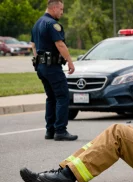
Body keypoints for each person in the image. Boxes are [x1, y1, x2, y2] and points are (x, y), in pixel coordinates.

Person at [31, 0, 78, 140]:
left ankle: (50, 130)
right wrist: (70, 62)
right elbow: (60, 44)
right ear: (55, 7)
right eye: (61, 9)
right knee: (63, 96)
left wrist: (40, 61)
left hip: (41, 67)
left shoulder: (37, 23)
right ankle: (61, 131)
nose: (62, 13)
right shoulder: (52, 24)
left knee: (51, 98)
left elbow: (33, 45)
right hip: (52, 67)